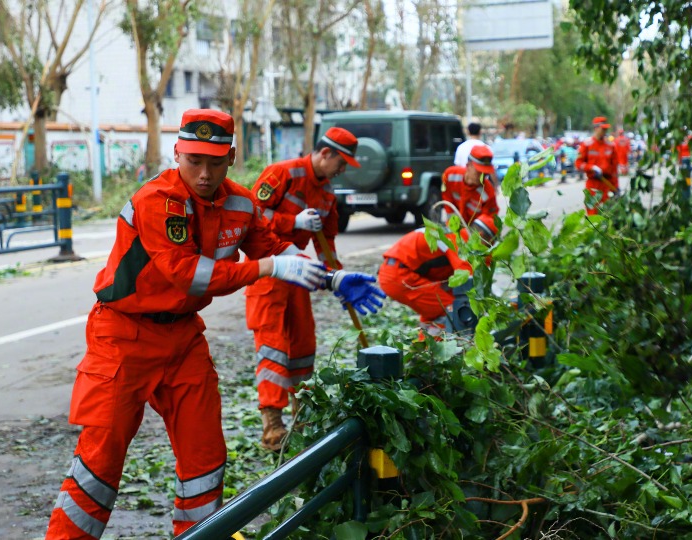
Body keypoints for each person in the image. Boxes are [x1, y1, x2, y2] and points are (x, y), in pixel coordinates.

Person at [44, 109, 382, 539]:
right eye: (194, 161)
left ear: (232, 157)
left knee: (205, 460)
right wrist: (268, 267)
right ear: (177, 153)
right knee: (100, 461)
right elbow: (188, 273)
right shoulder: (155, 200)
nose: (204, 174)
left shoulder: (240, 203)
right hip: (121, 337)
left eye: (215, 162)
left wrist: (333, 277)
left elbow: (273, 248)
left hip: (183, 338)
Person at [246, 126, 384, 451]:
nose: (344, 169)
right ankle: (273, 424)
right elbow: (251, 218)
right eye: (342, 162)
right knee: (273, 345)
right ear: (325, 153)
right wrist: (292, 223)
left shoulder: (326, 194)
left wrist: (338, 279)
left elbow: (328, 245)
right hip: (268, 271)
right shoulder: (282, 173)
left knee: (303, 344)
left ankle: (302, 414)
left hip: (300, 275)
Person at [378, 214, 498, 337]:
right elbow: (468, 278)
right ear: (484, 237)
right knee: (451, 311)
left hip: (398, 272)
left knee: (436, 309)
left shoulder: (453, 234)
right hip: (400, 275)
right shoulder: (460, 241)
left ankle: (422, 347)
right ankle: (434, 351)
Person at [441, 144, 500, 225]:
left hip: (474, 233)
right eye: (479, 172)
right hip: (453, 227)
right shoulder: (450, 175)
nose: (482, 177)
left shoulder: (488, 193)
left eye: (485, 174)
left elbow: (490, 221)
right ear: (468, 166)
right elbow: (447, 200)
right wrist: (453, 226)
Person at [575, 116, 619, 215]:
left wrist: (615, 187)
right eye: (602, 128)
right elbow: (578, 164)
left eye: (606, 129)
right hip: (593, 185)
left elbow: (614, 169)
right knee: (593, 214)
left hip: (607, 183)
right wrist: (591, 168)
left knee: (607, 214)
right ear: (596, 128)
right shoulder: (586, 144)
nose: (605, 131)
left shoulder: (610, 145)